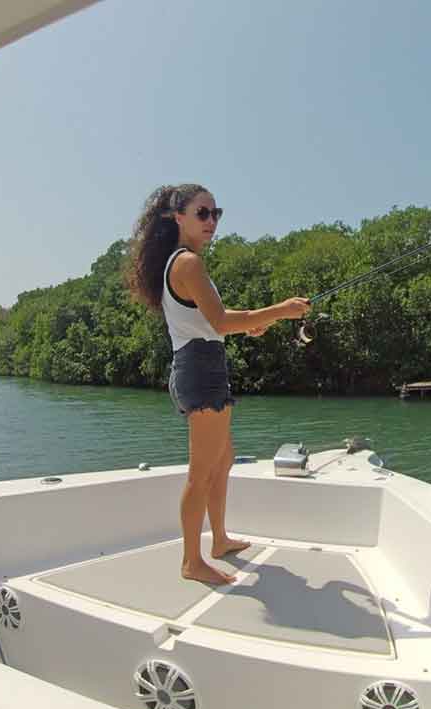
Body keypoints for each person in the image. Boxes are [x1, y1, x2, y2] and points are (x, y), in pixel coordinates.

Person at [128, 184, 310, 584]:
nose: (211, 221)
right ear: (178, 217)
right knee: (201, 472)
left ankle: (220, 540)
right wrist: (281, 311)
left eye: (216, 213)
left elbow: (220, 319)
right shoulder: (188, 263)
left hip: (201, 364)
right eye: (202, 213)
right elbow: (223, 323)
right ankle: (191, 561)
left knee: (223, 460)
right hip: (200, 370)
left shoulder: (182, 262)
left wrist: (255, 322)